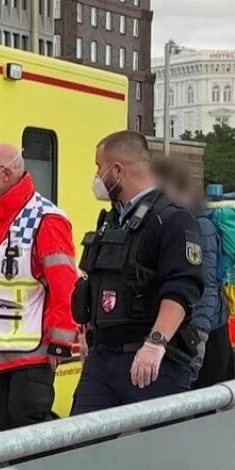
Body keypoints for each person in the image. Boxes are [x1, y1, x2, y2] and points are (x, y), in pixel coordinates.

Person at [71, 131, 204, 415]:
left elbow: (181, 289)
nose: (96, 176)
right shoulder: (112, 220)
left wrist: (155, 345)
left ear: (117, 170)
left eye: (99, 167)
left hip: (151, 360)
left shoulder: (172, 219)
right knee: (79, 448)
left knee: (156, 454)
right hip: (103, 358)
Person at [0, 144, 77, 431]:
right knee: (8, 429)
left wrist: (60, 343)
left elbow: (65, 285)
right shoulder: (1, 217)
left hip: (35, 351)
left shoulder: (46, 218)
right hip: (6, 348)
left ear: (6, 174)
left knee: (28, 427)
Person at [152, 157, 234, 388]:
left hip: (205, 338)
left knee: (202, 411)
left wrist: (197, 351)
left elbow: (204, 291)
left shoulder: (200, 226)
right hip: (186, 334)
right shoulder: (172, 222)